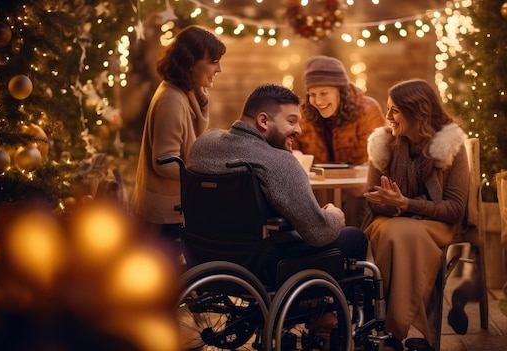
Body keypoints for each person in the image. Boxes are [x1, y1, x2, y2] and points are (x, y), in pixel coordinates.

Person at [187, 83, 368, 263]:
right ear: (264, 121)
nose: (299, 130)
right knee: (355, 237)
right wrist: (334, 217)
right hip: (261, 264)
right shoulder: (279, 161)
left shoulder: (204, 144)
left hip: (203, 256)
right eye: (291, 121)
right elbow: (319, 234)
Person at [362, 79, 469, 350]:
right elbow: (372, 199)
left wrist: (407, 204)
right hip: (389, 220)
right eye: (388, 109)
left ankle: (389, 329)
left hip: (437, 222)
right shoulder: (383, 143)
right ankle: (400, 330)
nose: (388, 117)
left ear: (417, 112)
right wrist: (392, 204)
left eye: (394, 110)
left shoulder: (449, 146)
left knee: (400, 234)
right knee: (392, 232)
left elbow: (454, 209)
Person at [130, 25, 226, 255]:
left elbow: (192, 142)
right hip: (166, 215)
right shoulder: (172, 101)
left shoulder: (183, 94)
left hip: (174, 208)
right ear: (191, 62)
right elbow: (165, 161)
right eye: (213, 62)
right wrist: (205, 173)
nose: (219, 69)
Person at [294, 55, 385, 227]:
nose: (318, 101)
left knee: (356, 203)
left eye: (324, 93)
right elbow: (291, 146)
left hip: (357, 188)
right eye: (312, 94)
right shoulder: (302, 113)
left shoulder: (368, 109)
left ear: (341, 91)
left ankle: (354, 248)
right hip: (317, 186)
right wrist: (295, 153)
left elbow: (380, 156)